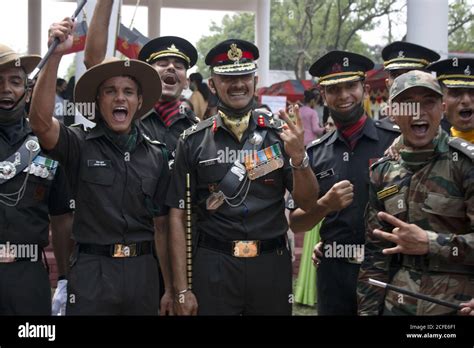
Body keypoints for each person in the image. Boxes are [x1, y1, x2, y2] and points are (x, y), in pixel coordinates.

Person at [28, 17, 172, 315]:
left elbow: (161, 228)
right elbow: (41, 124)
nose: (120, 97)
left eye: (128, 92)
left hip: (142, 272)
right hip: (92, 271)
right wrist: (55, 56)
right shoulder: (79, 143)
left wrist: (170, 288)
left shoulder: (156, 155)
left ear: (139, 101)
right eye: (110, 91)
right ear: (98, 100)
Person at [167, 39, 319, 315]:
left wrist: (299, 157)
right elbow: (177, 216)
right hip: (214, 264)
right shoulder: (192, 141)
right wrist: (181, 289)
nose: (237, 84)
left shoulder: (280, 135)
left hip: (270, 264)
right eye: (227, 77)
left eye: (244, 76)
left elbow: (308, 203)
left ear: (255, 80)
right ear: (212, 85)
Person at [289, 51, 400, 315]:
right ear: (322, 94)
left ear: (365, 87)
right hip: (333, 273)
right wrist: (326, 205)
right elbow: (297, 222)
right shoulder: (314, 153)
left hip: (386, 269)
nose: (343, 95)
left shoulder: (393, 143)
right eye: (334, 89)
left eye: (351, 86)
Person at [357, 70, 474, 315]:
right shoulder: (382, 172)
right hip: (398, 305)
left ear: (442, 107)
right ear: (392, 112)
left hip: (455, 306)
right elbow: (375, 254)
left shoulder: (464, 164)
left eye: (428, 103)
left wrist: (430, 243)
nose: (418, 112)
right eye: (407, 104)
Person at [0, 43, 73, 315]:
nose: (6, 89)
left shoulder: (46, 143)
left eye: (15, 81)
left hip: (29, 279)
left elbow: (62, 216)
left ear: (27, 91)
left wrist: (65, 280)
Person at [83, 0, 199, 159]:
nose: (171, 68)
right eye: (163, 64)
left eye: (179, 66)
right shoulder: (128, 114)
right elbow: (93, 60)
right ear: (149, 75)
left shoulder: (197, 128)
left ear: (186, 82)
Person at [428, 58, 474, 142]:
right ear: (441, 102)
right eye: (456, 93)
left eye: (473, 93)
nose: (466, 100)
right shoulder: (431, 146)